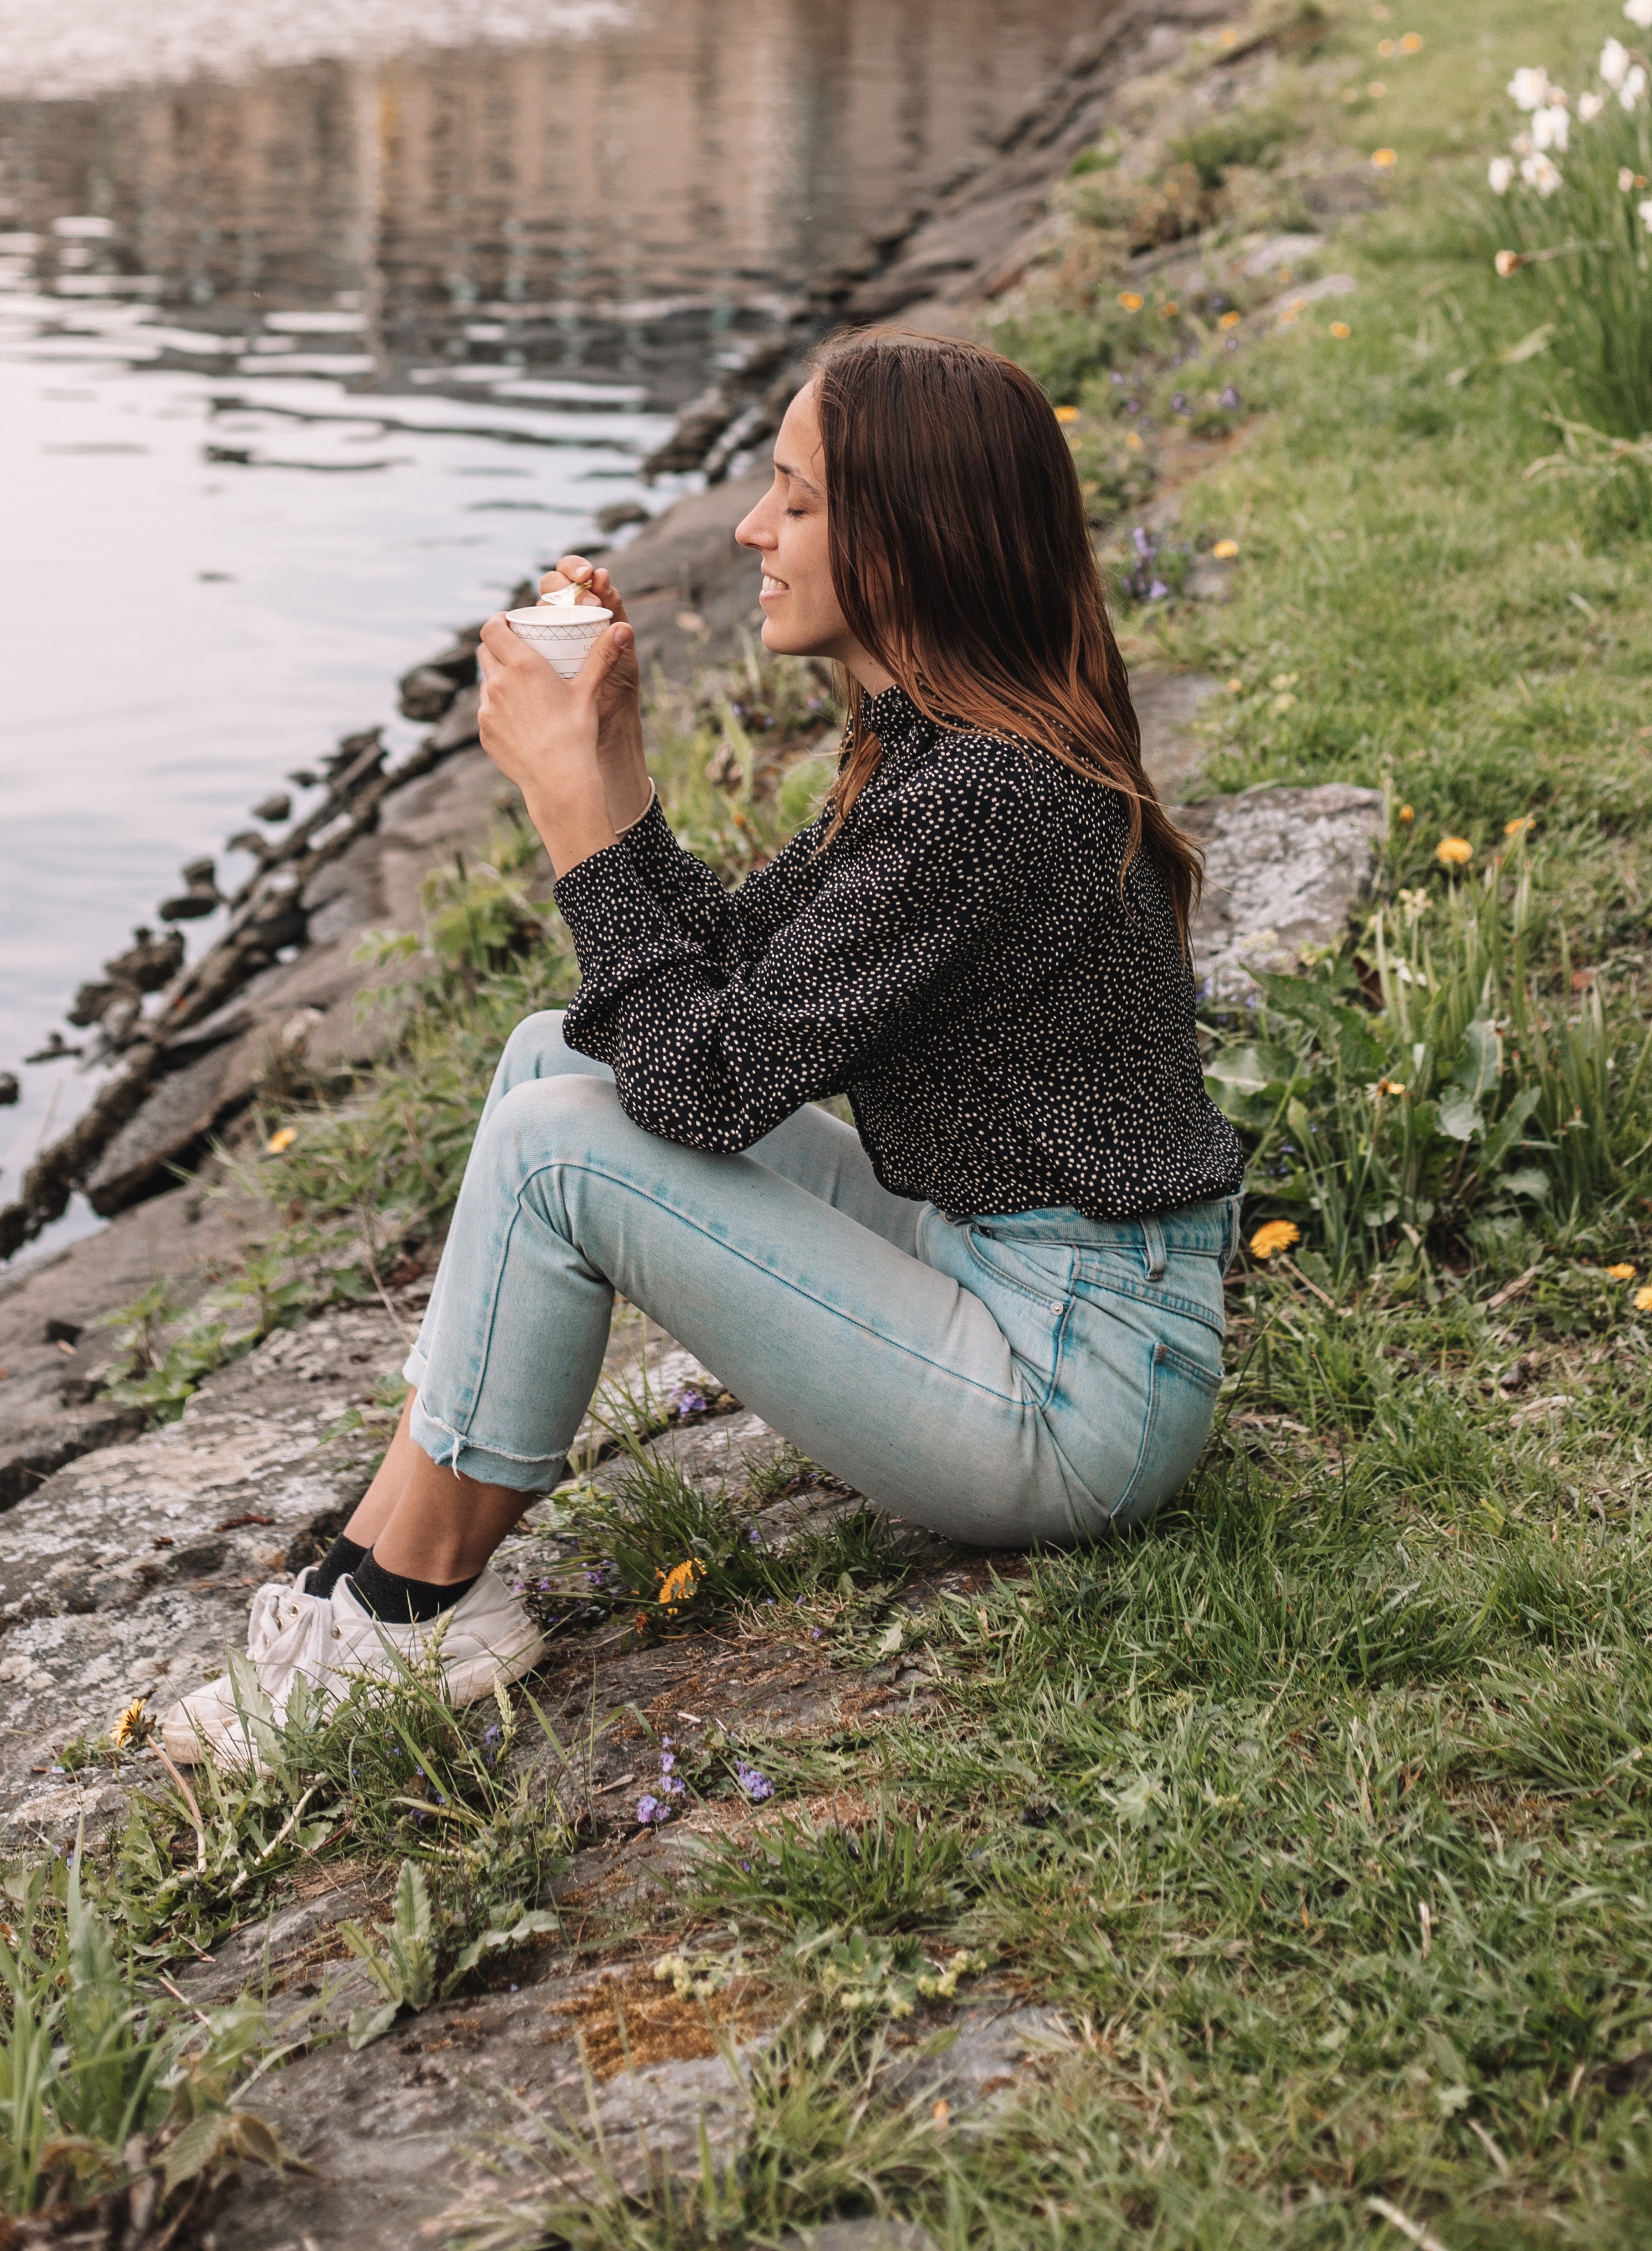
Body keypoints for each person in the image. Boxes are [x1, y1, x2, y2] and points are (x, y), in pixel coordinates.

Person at [163, 334, 1242, 1765]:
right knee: (557, 1057)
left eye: (791, 502)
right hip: (1008, 1278)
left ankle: (408, 1608)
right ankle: (389, 1566)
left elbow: (703, 1087)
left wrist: (570, 817)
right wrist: (605, 764)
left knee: (565, 1149)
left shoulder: (978, 797)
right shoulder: (944, 755)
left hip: (1072, 1394)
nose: (749, 530)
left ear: (904, 544)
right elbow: (728, 987)